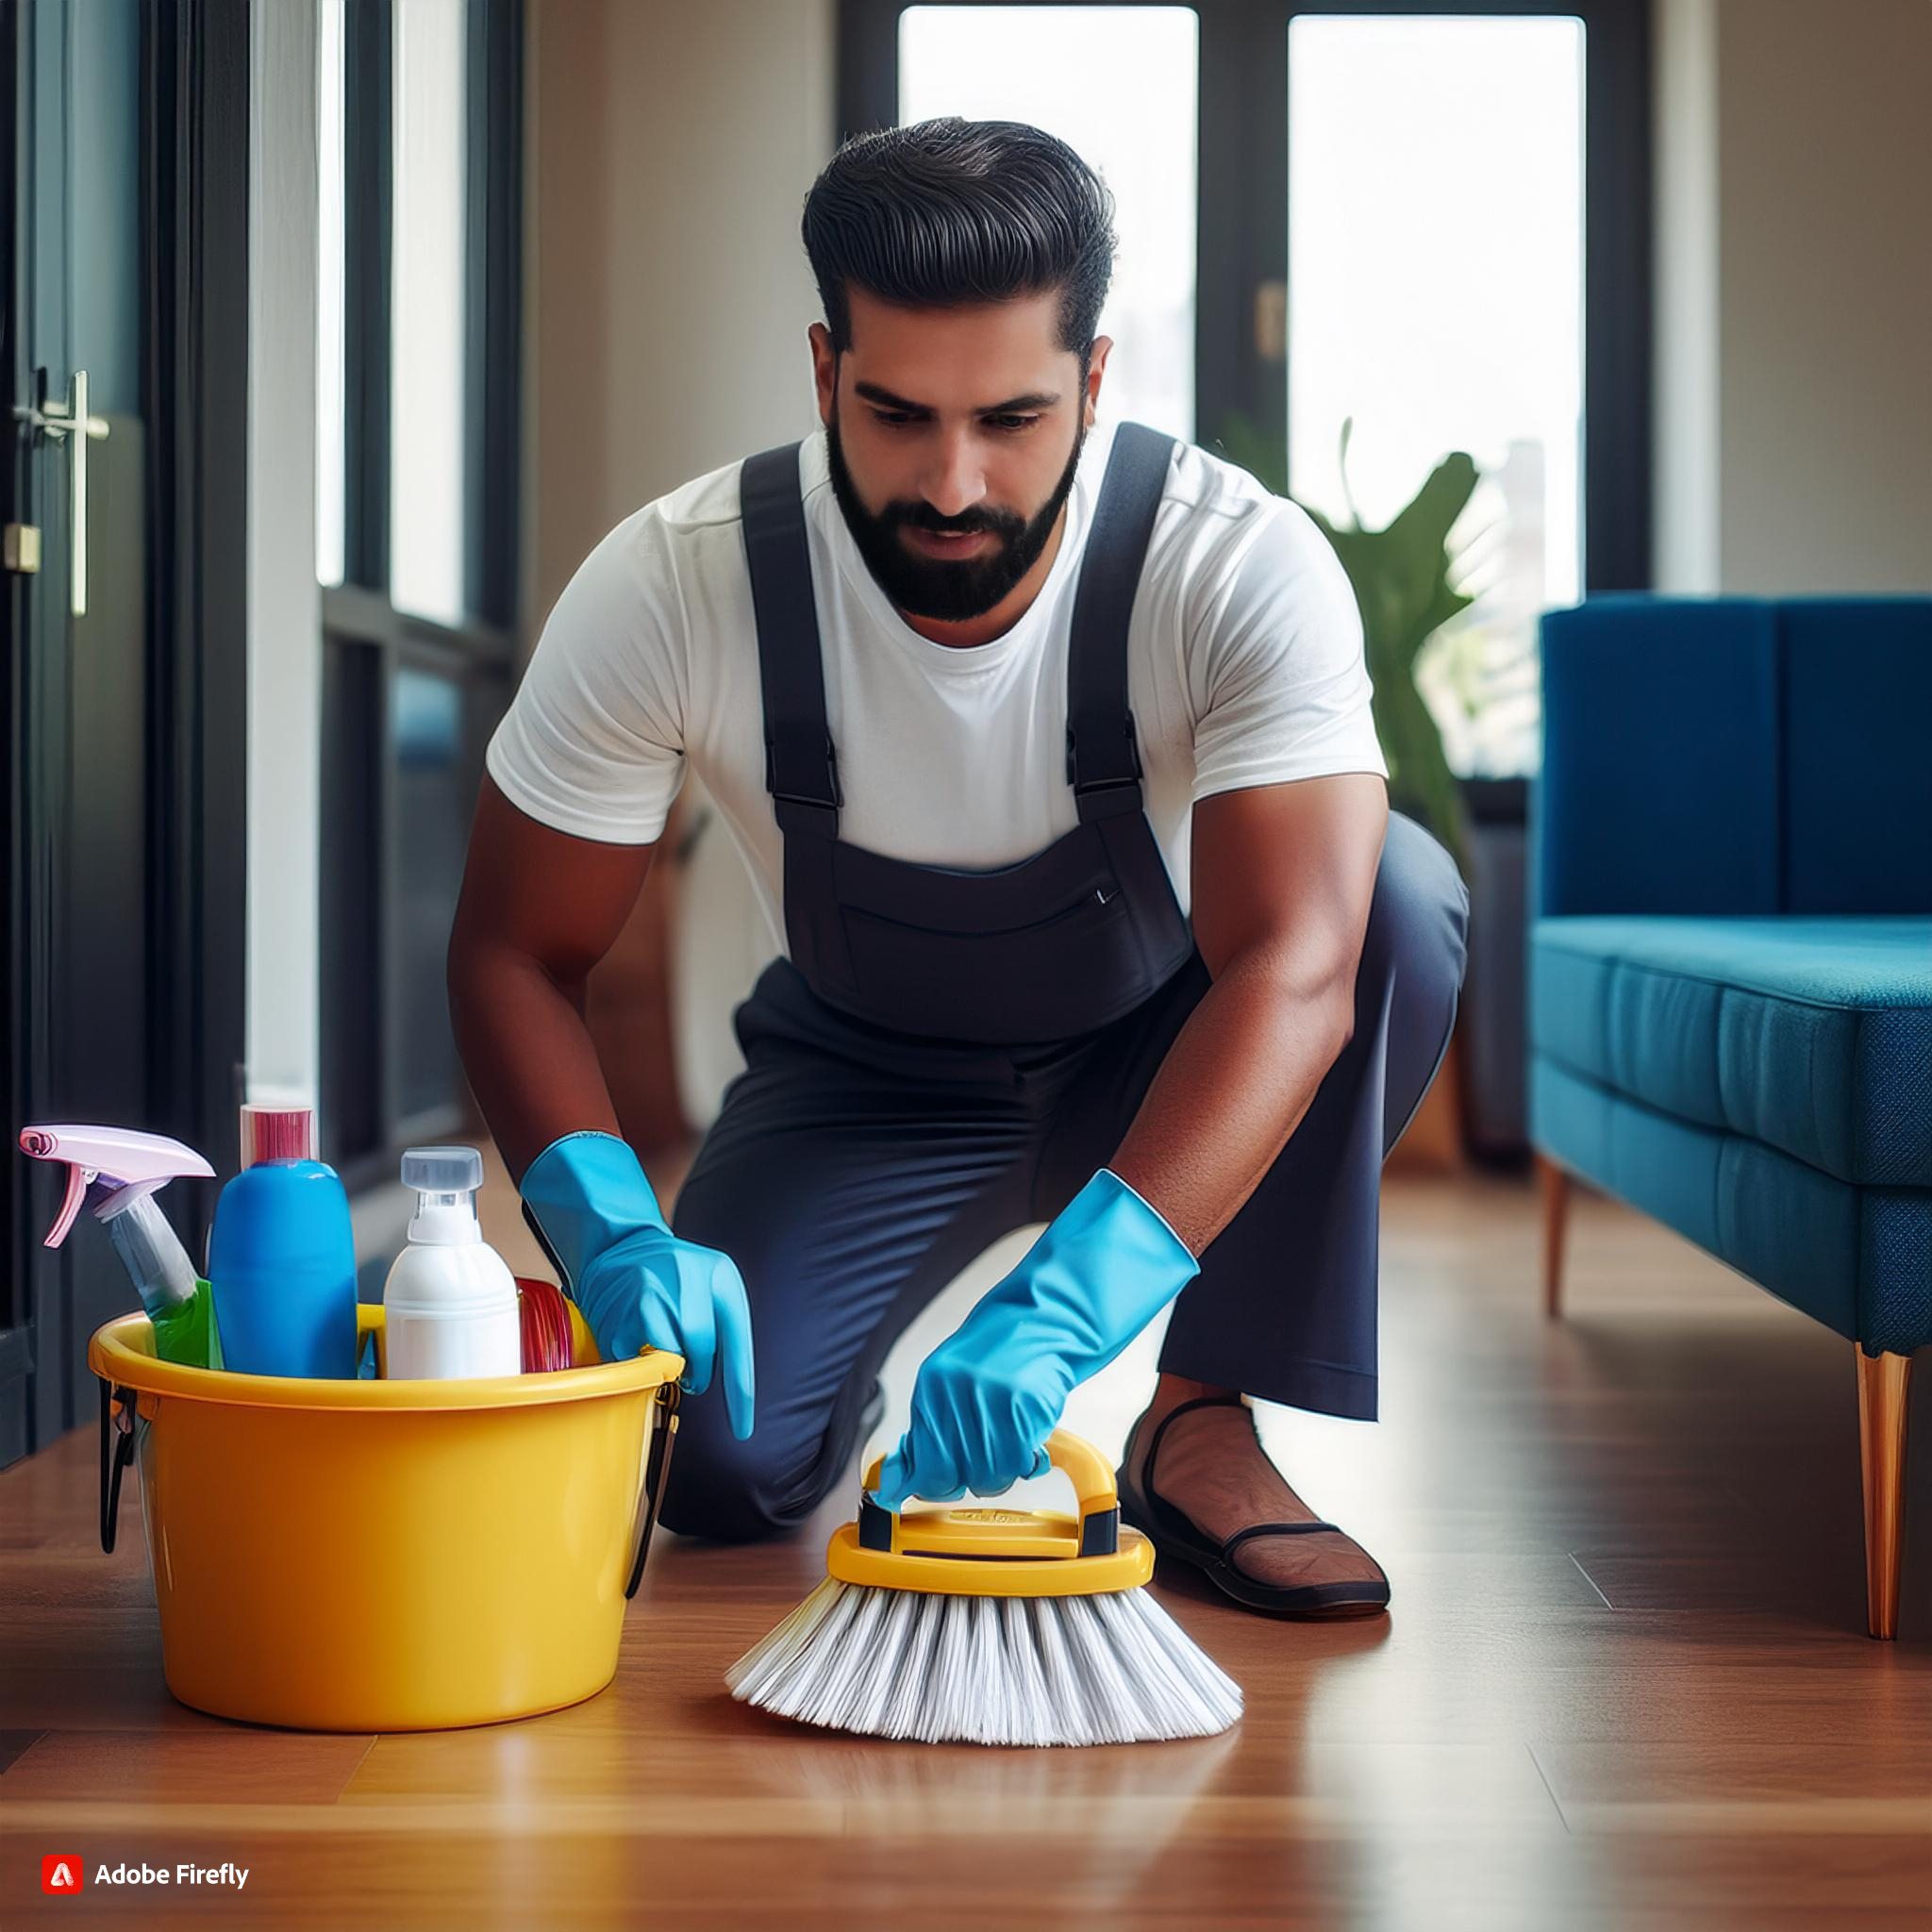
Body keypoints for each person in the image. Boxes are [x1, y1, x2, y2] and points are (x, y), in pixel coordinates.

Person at [448, 117, 1469, 1619]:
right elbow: (512, 953)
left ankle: (1201, 1418)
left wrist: (1072, 1310)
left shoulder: (1229, 564)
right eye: (896, 416)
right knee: (715, 1464)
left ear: (1096, 383)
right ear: (821, 374)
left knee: (1392, 900)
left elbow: (1303, 966)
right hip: (867, 1076)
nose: (951, 482)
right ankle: (836, 1386)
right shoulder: (680, 580)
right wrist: (607, 1227)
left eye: (1011, 419)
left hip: (1167, 1044)